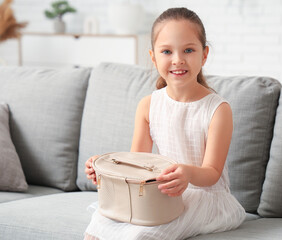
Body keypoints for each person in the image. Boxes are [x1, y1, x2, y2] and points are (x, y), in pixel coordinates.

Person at [84, 7, 246, 240]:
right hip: (161, 193)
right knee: (100, 222)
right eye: (167, 51)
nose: (178, 60)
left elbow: (212, 173)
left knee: (141, 233)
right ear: (153, 57)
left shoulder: (218, 110)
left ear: (204, 54)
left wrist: (186, 174)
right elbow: (135, 164)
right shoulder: (148, 105)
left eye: (188, 50)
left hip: (206, 198)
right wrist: (104, 171)